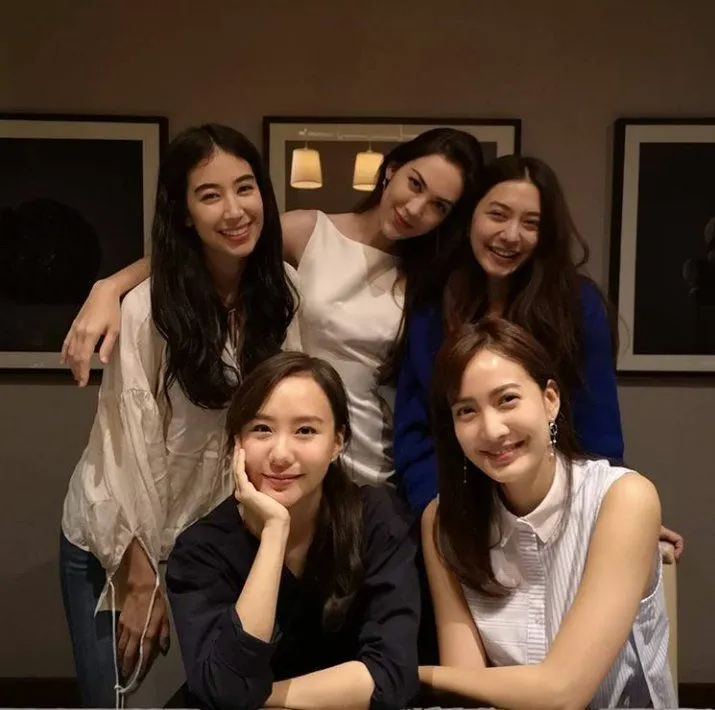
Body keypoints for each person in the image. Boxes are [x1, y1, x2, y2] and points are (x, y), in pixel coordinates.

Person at [60, 127, 484, 485]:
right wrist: (111, 286)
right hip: (291, 454)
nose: (416, 209)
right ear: (391, 170)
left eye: (438, 206)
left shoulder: (428, 281)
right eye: (415, 184)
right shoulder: (309, 231)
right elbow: (203, 247)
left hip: (374, 462)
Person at [59, 124, 297, 708]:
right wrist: (143, 576)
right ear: (185, 213)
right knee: (121, 699)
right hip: (118, 540)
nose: (234, 210)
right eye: (210, 195)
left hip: (214, 541)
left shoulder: (282, 292)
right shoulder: (147, 307)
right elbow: (125, 446)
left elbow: (288, 410)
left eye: (245, 188)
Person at [419, 318, 676, 709]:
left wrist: (415, 674)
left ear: (550, 399)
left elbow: (563, 692)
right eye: (466, 411)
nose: (492, 429)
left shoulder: (623, 499)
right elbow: (466, 687)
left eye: (507, 399)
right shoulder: (444, 521)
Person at [166, 351, 421, 710]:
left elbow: (392, 676)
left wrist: (261, 698)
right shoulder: (201, 551)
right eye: (262, 429)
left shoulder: (377, 520)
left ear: (338, 441)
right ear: (238, 443)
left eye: (305, 431)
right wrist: (274, 533)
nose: (281, 454)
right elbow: (225, 687)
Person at [394, 154, 626, 515]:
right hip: (454, 503)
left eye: (531, 223)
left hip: (556, 503)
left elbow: (599, 430)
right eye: (498, 215)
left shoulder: (577, 305)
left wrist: (610, 506)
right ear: (470, 218)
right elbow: (415, 431)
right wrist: (436, 508)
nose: (511, 235)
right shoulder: (431, 308)